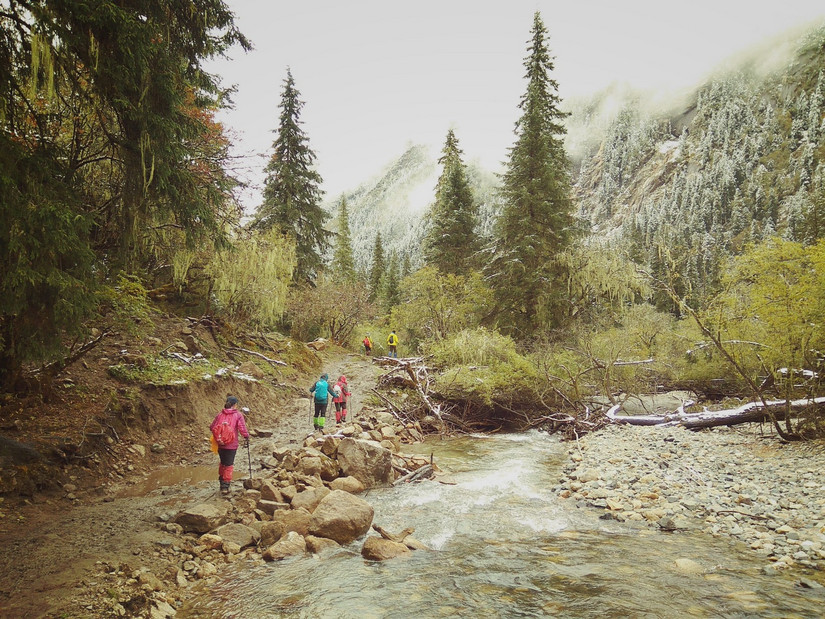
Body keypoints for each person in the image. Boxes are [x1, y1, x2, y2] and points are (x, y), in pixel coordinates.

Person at [210, 395, 249, 495]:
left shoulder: (220, 415)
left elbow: (212, 427)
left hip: (220, 444)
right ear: (235, 405)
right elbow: (242, 427)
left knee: (223, 463)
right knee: (229, 465)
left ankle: (221, 481)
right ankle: (225, 486)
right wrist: (246, 436)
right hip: (231, 445)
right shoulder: (238, 415)